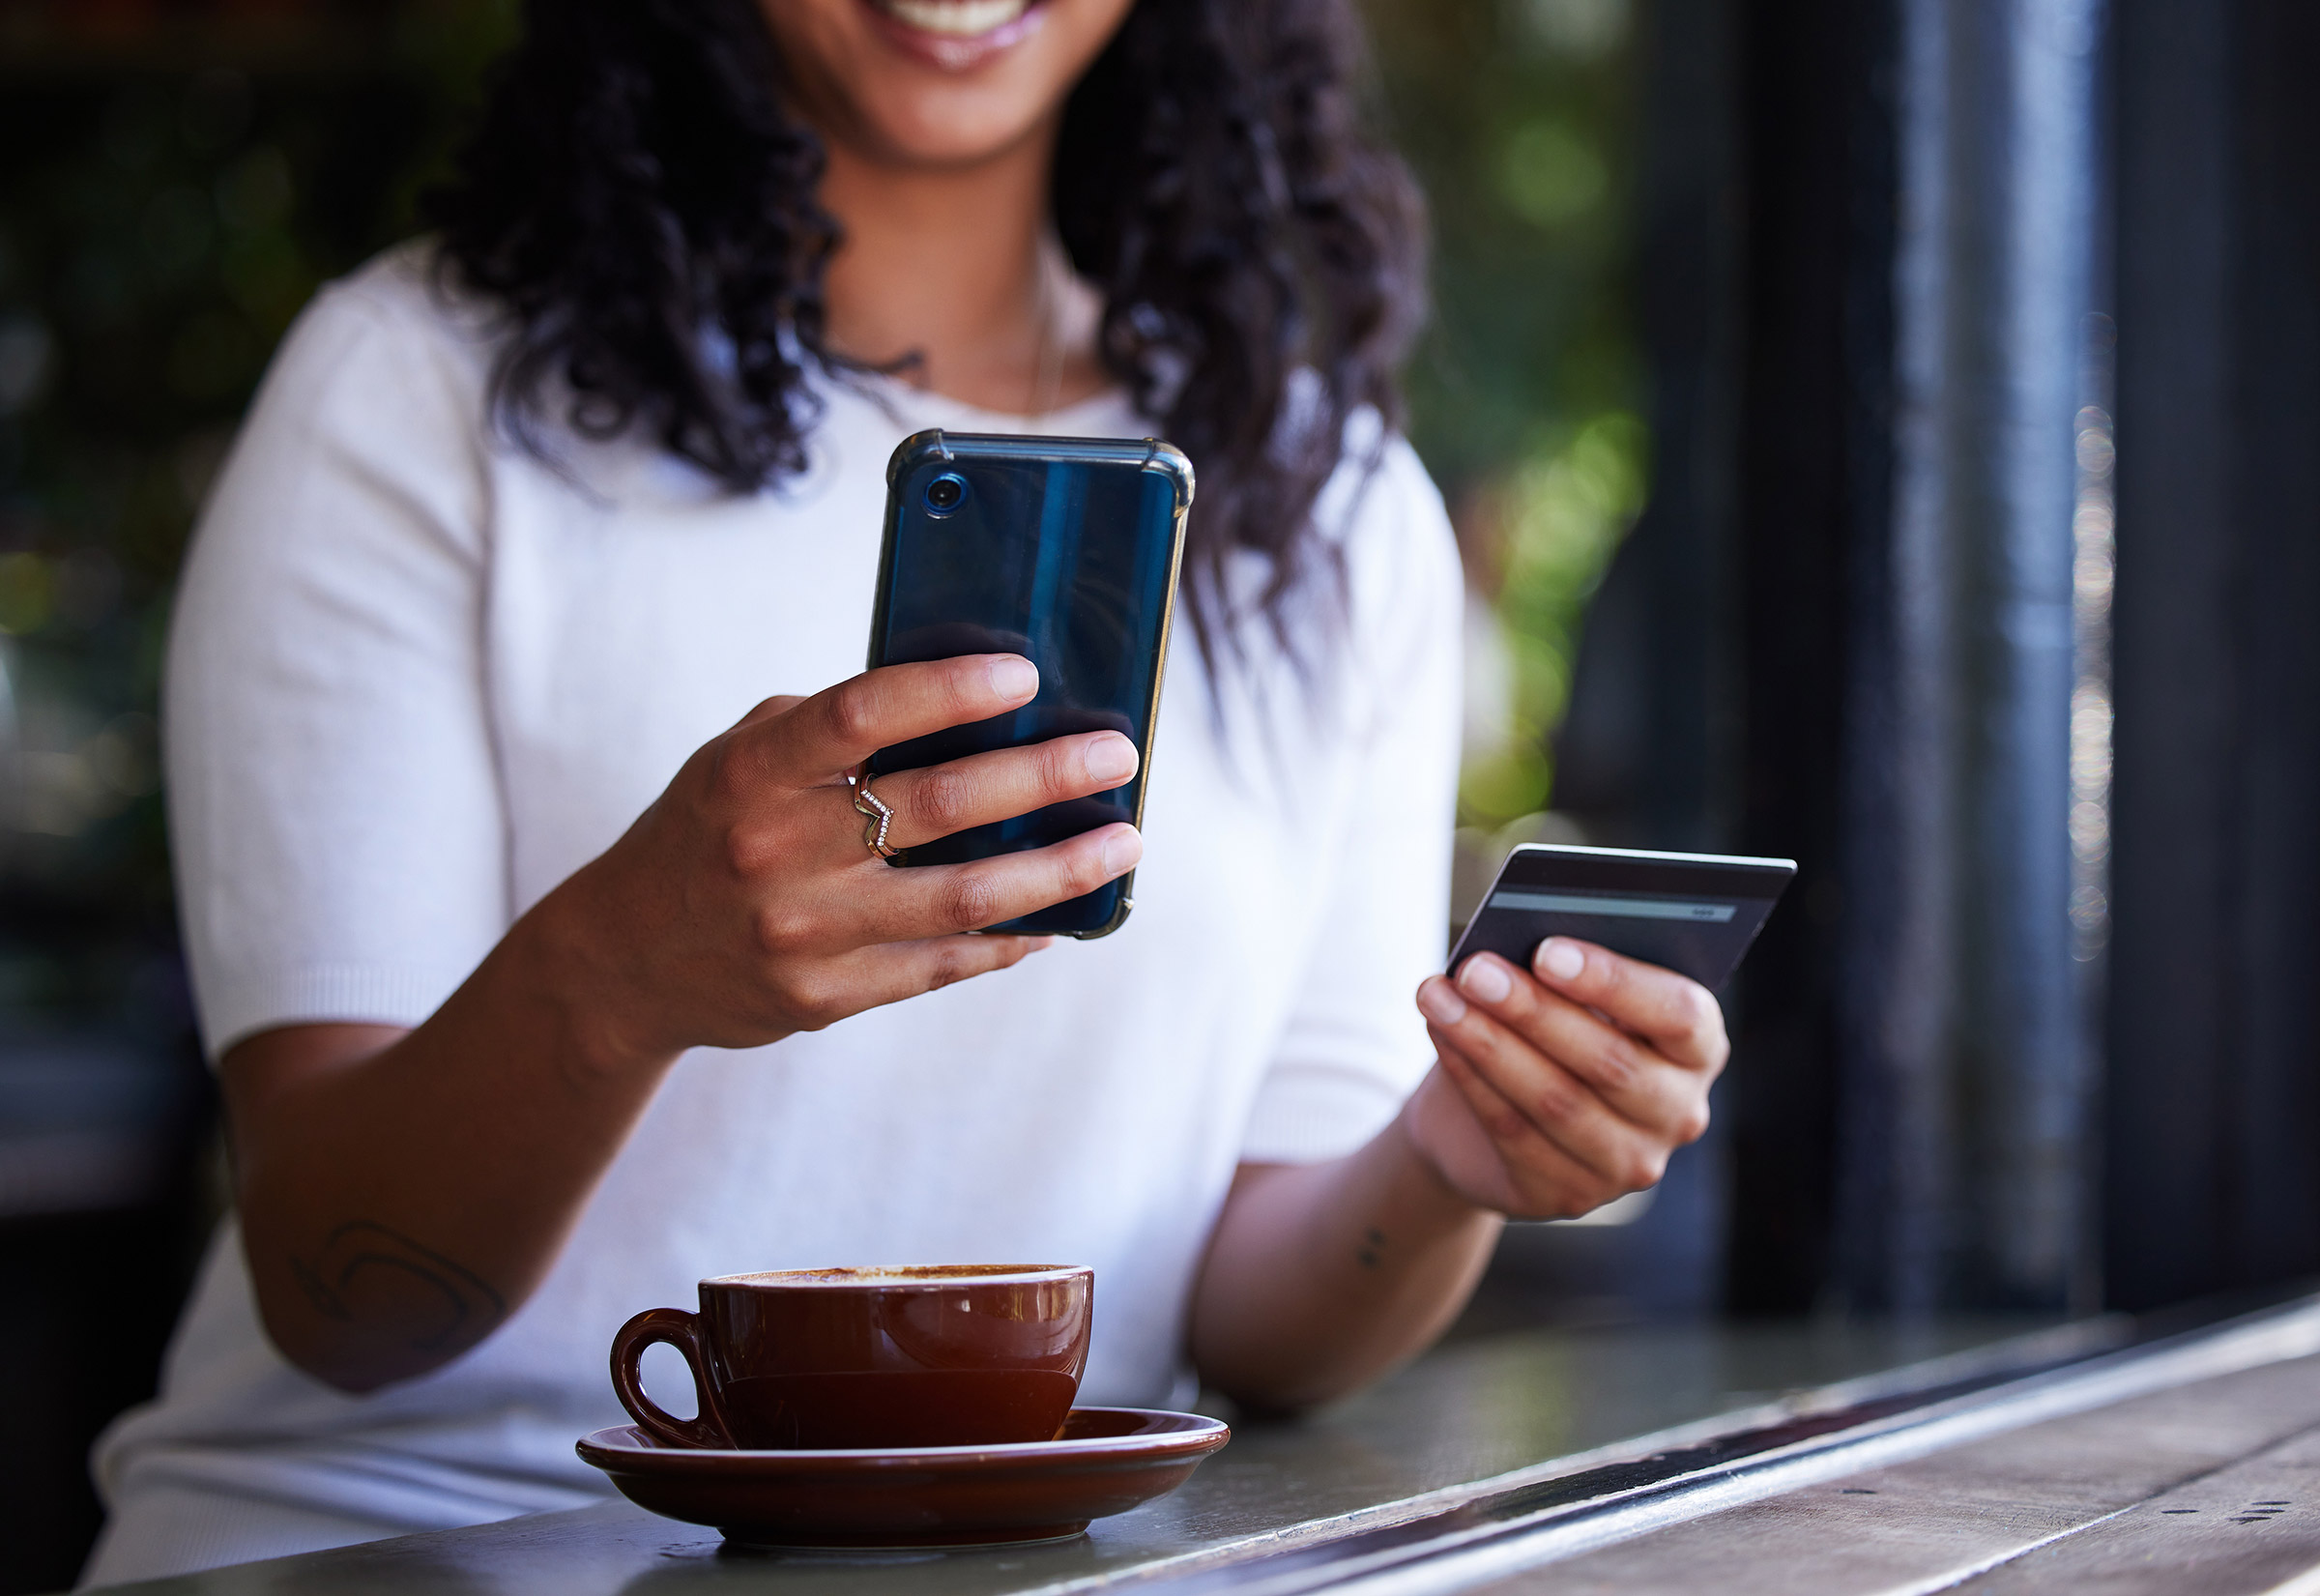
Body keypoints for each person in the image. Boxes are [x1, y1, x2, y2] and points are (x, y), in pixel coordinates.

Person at [81, 0, 1727, 1583]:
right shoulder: (419, 393)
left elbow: (1253, 1329)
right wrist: (617, 975)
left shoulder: (1332, 510)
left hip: (1013, 1570)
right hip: (407, 1546)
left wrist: (1455, 1160)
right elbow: (339, 1300)